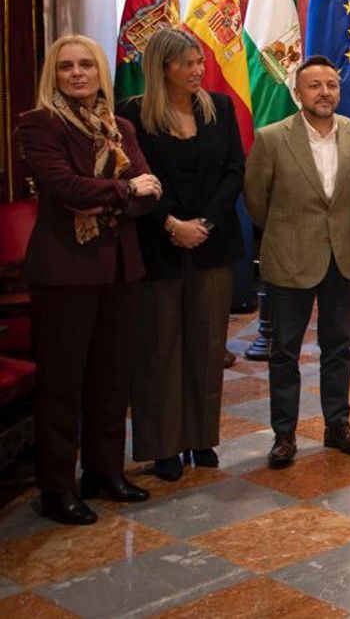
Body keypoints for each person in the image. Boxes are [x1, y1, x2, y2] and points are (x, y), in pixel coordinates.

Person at [18, 35, 161, 524]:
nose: (77, 74)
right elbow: (63, 187)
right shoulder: (40, 124)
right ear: (52, 76)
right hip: (64, 271)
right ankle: (56, 488)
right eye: (65, 67)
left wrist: (110, 196)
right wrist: (123, 189)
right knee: (62, 385)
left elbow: (150, 193)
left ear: (100, 71)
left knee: (111, 378)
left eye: (86, 65)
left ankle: (104, 473)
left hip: (120, 268)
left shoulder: (120, 127)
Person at [118, 28, 244, 482]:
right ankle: (163, 446)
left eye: (199, 62)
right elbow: (136, 174)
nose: (197, 70)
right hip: (159, 244)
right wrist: (171, 223)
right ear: (163, 67)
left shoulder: (220, 108)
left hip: (211, 243)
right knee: (159, 347)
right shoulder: (132, 115)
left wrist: (203, 225)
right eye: (187, 63)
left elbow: (234, 171)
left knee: (208, 344)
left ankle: (201, 438)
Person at [245, 55, 350, 469]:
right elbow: (255, 200)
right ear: (298, 93)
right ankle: (284, 435)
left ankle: (338, 425)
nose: (325, 93)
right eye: (315, 86)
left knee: (337, 347)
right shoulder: (271, 138)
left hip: (341, 255)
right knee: (284, 351)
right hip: (288, 256)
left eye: (332, 85)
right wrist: (288, 230)